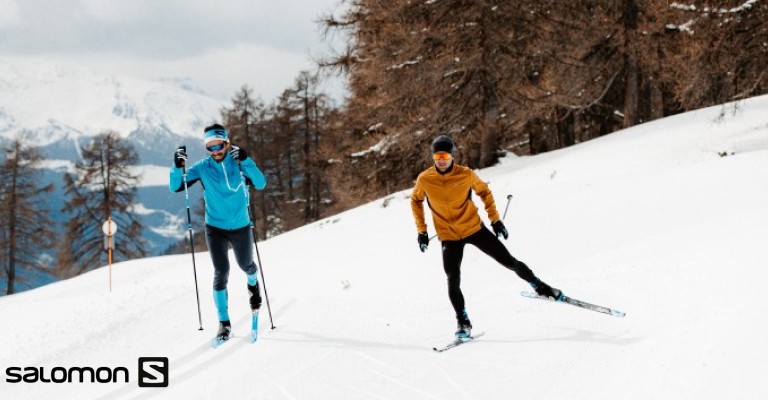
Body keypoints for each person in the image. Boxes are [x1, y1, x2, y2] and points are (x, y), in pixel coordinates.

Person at [410, 135, 562, 339]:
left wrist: (495, 220)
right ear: (433, 157)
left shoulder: (465, 174)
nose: (441, 160)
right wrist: (422, 230)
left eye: (445, 155)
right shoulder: (425, 179)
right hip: (449, 237)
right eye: (437, 156)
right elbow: (416, 200)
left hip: (474, 228)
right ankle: (463, 322)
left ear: (452, 155)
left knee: (509, 261)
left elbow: (484, 192)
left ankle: (540, 287)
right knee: (452, 279)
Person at [169, 123, 267, 343]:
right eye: (210, 148)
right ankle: (224, 323)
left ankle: (253, 282)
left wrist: (247, 160)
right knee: (221, 272)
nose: (215, 152)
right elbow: (176, 187)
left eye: (219, 146)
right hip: (215, 227)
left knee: (246, 265)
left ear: (227, 143)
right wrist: (177, 166)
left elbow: (260, 183)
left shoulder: (239, 162)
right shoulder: (203, 168)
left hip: (241, 226)